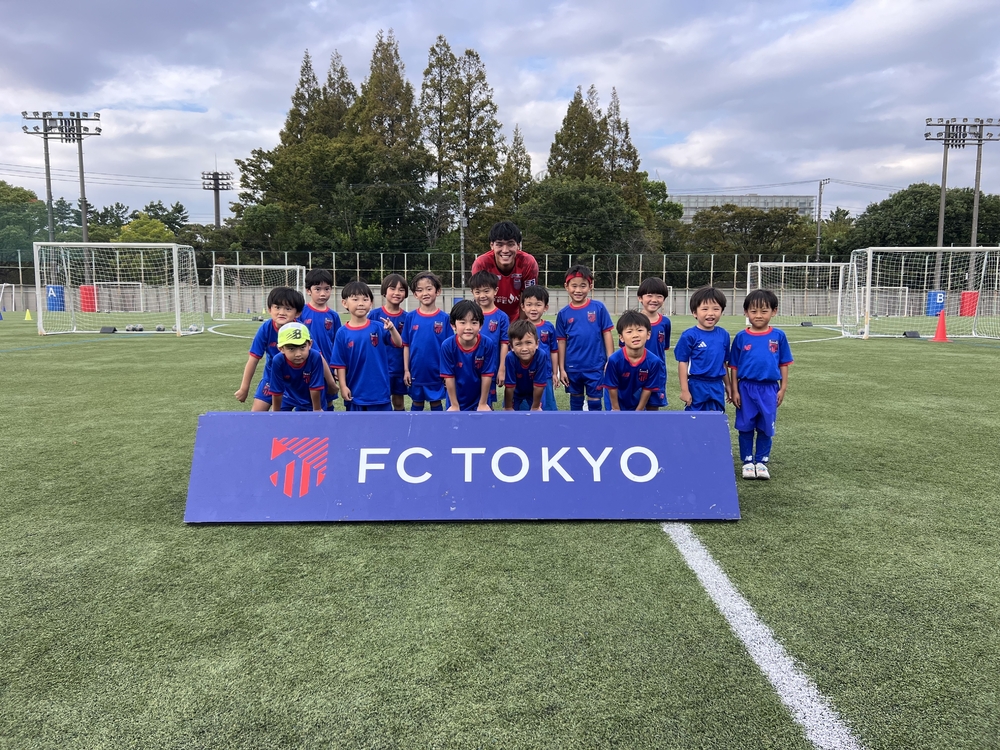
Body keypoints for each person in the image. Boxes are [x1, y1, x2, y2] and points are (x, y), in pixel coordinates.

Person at [729, 289, 793, 480]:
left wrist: (783, 388)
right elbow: (734, 366)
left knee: (766, 426)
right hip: (746, 388)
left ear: (774, 311)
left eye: (764, 311)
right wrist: (734, 390)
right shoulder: (741, 337)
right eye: (753, 311)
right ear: (746, 312)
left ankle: (762, 462)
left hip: (769, 388)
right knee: (745, 425)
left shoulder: (779, 336)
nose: (758, 315)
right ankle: (748, 462)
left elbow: (784, 363)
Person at [331, 280, 403, 411]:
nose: (360, 303)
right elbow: (340, 364)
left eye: (365, 299)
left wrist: (392, 329)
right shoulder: (342, 333)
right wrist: (343, 386)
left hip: (380, 392)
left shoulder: (378, 327)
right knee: (357, 424)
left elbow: (398, 343)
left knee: (382, 423)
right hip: (355, 392)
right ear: (344, 303)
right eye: (355, 299)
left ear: (371, 303)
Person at [235, 286, 304, 412]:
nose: (282, 312)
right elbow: (253, 360)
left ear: (297, 313)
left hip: (296, 381)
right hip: (271, 378)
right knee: (256, 415)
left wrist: (329, 383)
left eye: (288, 309)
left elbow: (315, 356)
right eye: (277, 307)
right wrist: (244, 388)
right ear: (269, 309)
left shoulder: (300, 330)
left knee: (295, 418)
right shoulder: (265, 329)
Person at [556, 265, 614, 411]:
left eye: (583, 286)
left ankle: (595, 425)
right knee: (576, 399)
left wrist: (610, 359)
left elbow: (607, 333)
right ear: (566, 287)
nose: (578, 290)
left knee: (595, 400)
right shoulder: (563, 314)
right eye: (574, 286)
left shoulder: (598, 308)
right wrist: (561, 368)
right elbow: (561, 342)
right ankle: (576, 424)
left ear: (590, 286)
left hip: (595, 365)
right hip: (572, 367)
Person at [674, 287, 732, 412]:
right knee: (694, 418)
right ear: (695, 312)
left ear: (721, 311)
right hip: (696, 384)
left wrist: (728, 385)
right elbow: (683, 362)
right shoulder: (689, 335)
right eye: (705, 309)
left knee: (716, 417)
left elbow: (723, 363)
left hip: (717, 385)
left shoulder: (724, 335)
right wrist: (684, 390)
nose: (710, 313)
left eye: (716, 309)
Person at [469, 221, 538, 321]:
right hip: (490, 320)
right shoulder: (481, 264)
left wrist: (520, 326)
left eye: (510, 244)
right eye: (499, 244)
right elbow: (480, 298)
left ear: (518, 245)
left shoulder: (528, 263)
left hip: (517, 320)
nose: (505, 250)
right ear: (492, 245)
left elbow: (529, 299)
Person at [402, 272, 451, 411]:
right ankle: (414, 426)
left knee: (436, 403)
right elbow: (406, 345)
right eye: (420, 290)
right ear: (415, 294)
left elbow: (448, 349)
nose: (425, 293)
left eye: (429, 289)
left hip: (436, 372)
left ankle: (438, 426)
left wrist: (447, 372)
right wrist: (406, 370)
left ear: (438, 291)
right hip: (416, 372)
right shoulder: (410, 317)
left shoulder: (444, 318)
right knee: (417, 403)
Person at [602, 310, 666, 411]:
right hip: (615, 400)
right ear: (621, 337)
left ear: (648, 334)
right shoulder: (614, 360)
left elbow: (648, 389)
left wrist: (639, 411)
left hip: (637, 401)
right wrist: (616, 409)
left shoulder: (654, 362)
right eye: (629, 331)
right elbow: (612, 387)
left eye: (640, 330)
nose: (635, 335)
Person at [439, 300, 495, 412]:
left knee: (482, 422)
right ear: (453, 325)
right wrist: (454, 405)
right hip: (456, 399)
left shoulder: (487, 344)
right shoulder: (447, 346)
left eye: (474, 322)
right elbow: (449, 377)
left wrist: (483, 403)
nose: (468, 327)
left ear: (480, 325)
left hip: (480, 398)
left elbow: (487, 375)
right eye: (463, 322)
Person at [300, 268, 342, 410]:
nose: (323, 293)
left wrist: (336, 367)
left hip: (327, 366)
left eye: (327, 289)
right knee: (304, 400)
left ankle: (328, 424)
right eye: (317, 289)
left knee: (328, 401)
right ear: (308, 290)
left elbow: (337, 344)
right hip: (305, 365)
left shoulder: (333, 316)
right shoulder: (302, 312)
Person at [367, 273, 408, 411]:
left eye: (401, 289)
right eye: (392, 288)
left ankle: (400, 424)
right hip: (380, 368)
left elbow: (407, 344)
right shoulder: (374, 315)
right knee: (381, 401)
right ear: (384, 291)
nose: (397, 293)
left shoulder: (407, 317)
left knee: (398, 402)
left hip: (399, 367)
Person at [468, 270, 509, 408]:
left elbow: (504, 344)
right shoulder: (469, 315)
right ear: (472, 292)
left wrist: (502, 369)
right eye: (477, 292)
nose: (482, 295)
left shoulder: (502, 317)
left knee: (486, 403)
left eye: (486, 291)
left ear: (495, 291)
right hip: (469, 367)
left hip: (490, 368)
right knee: (468, 401)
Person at [269, 322, 325, 412]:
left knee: (315, 420)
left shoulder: (315, 357)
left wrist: (317, 409)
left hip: (313, 399)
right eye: (291, 349)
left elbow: (315, 386)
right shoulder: (278, 361)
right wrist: (276, 413)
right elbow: (277, 390)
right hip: (289, 395)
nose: (298, 354)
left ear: (310, 344)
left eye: (302, 347)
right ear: (281, 348)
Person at [519, 285, 559, 410]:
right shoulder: (519, 327)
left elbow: (554, 351)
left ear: (545, 307)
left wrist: (554, 373)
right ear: (523, 307)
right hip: (524, 375)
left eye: (538, 304)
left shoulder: (549, 327)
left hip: (545, 374)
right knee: (524, 408)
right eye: (529, 304)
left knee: (546, 407)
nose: (533, 309)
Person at [503, 319, 552, 411]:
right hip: (516, 391)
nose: (524, 348)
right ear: (511, 347)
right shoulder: (510, 357)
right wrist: (508, 407)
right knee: (508, 414)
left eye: (528, 343)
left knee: (538, 414)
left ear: (537, 344)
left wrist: (535, 407)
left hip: (534, 391)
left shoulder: (541, 356)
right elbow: (510, 385)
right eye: (518, 344)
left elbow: (539, 385)